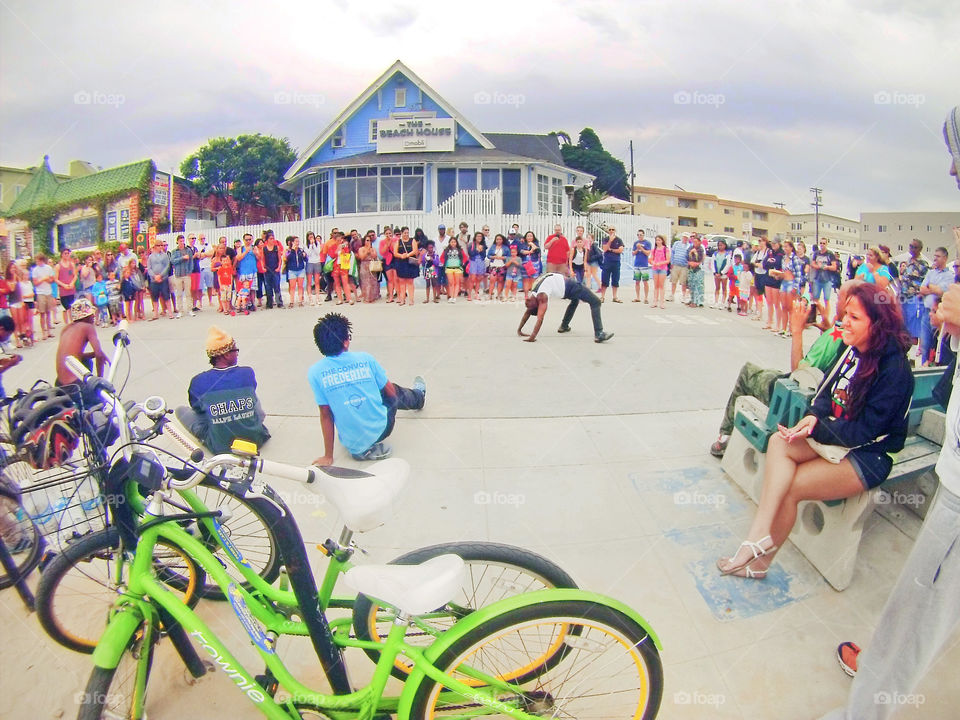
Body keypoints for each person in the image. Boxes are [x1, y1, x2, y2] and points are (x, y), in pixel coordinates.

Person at [818, 104, 960, 720]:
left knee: (922, 605)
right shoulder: (854, 351)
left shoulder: (890, 362)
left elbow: (870, 427)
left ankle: (868, 706)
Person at [717, 282, 913, 579]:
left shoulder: (894, 370)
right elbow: (822, 395)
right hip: (835, 440)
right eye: (846, 313)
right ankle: (757, 536)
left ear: (878, 324)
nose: (844, 321)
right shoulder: (851, 349)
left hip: (869, 455)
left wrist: (817, 428)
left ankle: (758, 563)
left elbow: (864, 432)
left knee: (791, 487)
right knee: (779, 442)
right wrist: (811, 418)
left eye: (855, 318)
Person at [709, 280, 863, 458]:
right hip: (825, 403)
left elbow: (799, 373)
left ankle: (725, 437)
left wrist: (796, 331)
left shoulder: (834, 337)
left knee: (748, 372)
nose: (835, 303)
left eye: (840, 299)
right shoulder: (847, 339)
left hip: (798, 399)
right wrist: (828, 326)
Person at [308, 313, 425, 463]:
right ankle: (419, 397)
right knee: (392, 389)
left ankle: (359, 446)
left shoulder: (314, 372)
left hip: (351, 441)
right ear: (345, 342)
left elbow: (325, 414)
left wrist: (328, 456)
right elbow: (391, 394)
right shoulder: (365, 359)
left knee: (341, 400)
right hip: (382, 430)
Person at [175, 326, 270, 454]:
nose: (237, 353)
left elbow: (198, 410)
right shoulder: (247, 372)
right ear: (225, 355)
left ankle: (215, 435)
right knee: (252, 399)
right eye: (235, 350)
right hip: (255, 440)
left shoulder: (198, 381)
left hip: (221, 446)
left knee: (181, 411)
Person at [517, 272, 614, 343]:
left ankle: (564, 326)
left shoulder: (535, 298)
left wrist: (520, 330)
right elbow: (540, 318)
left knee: (575, 300)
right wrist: (532, 336)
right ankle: (599, 334)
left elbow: (529, 311)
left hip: (566, 288)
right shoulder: (537, 295)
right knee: (596, 302)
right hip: (570, 286)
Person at [54, 298, 110, 405]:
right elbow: (98, 354)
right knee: (103, 405)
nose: (93, 316)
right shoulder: (88, 327)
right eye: (92, 315)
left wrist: (94, 355)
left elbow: (72, 356)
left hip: (60, 384)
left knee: (87, 361)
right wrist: (99, 380)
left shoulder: (66, 329)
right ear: (86, 316)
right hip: (74, 385)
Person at [917, 245, 954, 366]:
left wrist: (931, 287)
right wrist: (934, 288)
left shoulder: (950, 276)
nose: (935, 259)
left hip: (939, 314)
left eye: (938, 256)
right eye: (934, 256)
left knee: (937, 343)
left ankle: (936, 366)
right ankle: (924, 366)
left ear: (945, 258)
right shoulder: (930, 272)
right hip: (926, 312)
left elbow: (941, 291)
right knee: (925, 344)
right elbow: (922, 289)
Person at [899, 238, 929, 343]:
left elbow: (926, 281)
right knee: (904, 321)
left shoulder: (923, 264)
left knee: (913, 325)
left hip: (914, 297)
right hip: (904, 296)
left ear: (920, 249)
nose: (912, 249)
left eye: (915, 247)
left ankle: (912, 349)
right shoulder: (908, 260)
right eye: (910, 246)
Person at [810, 238, 840, 323]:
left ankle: (825, 318)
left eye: (824, 243)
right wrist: (818, 266)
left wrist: (826, 267)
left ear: (826, 244)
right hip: (817, 279)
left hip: (827, 280)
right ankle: (814, 317)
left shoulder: (830, 254)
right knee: (815, 299)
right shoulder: (816, 253)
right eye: (821, 243)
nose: (822, 245)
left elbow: (834, 267)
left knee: (827, 299)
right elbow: (812, 264)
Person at [147, 241, 173, 321]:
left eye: (161, 245)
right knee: (154, 296)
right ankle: (155, 313)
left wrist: (161, 275)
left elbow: (167, 266)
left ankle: (170, 312)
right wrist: (154, 276)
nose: (160, 247)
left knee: (166, 295)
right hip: (154, 280)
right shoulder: (151, 257)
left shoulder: (165, 256)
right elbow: (149, 268)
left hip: (163, 278)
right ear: (155, 247)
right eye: (158, 245)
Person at [393, 226, 418, 306]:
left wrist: (407, 255)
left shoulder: (412, 240)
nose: (406, 234)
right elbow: (395, 253)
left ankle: (411, 300)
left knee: (410, 282)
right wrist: (401, 256)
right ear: (401, 233)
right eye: (404, 233)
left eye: (407, 233)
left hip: (410, 263)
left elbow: (415, 251)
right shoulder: (398, 242)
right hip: (401, 263)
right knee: (402, 282)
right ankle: (402, 300)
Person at [599, 227, 624, 303]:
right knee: (604, 279)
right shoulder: (605, 239)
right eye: (610, 229)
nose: (611, 231)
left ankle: (615, 297)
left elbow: (620, 250)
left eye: (613, 229)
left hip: (616, 262)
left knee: (615, 279)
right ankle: (602, 297)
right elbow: (605, 249)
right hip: (607, 262)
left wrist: (611, 250)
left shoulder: (619, 240)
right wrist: (610, 241)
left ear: (615, 231)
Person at [54, 248, 77, 325]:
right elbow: (56, 279)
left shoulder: (72, 264)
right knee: (66, 307)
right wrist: (64, 285)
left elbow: (75, 276)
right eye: (65, 253)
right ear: (62, 255)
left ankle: (72, 322)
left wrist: (72, 283)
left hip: (71, 289)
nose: (67, 255)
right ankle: (67, 323)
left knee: (71, 306)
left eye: (68, 253)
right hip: (63, 290)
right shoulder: (58, 266)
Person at [441, 236, 467, 303]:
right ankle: (451, 296)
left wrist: (462, 263)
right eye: (451, 242)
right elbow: (441, 258)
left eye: (454, 242)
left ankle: (454, 297)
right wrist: (445, 263)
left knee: (456, 283)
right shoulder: (446, 250)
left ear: (456, 243)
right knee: (451, 283)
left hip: (457, 268)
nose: (453, 243)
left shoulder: (460, 250)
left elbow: (465, 257)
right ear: (449, 242)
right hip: (449, 268)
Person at [631, 229, 652, 303]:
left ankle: (646, 298)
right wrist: (637, 248)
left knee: (645, 281)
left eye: (641, 235)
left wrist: (641, 248)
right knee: (637, 281)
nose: (639, 236)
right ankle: (638, 297)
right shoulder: (635, 243)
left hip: (644, 264)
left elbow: (648, 253)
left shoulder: (647, 243)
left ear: (643, 235)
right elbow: (633, 253)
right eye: (638, 235)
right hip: (637, 264)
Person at [669, 234, 692, 302]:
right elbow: (672, 253)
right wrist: (672, 262)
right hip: (675, 265)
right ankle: (672, 295)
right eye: (684, 237)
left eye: (686, 237)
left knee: (683, 282)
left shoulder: (689, 246)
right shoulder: (676, 244)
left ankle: (683, 296)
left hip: (684, 266)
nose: (685, 238)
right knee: (673, 281)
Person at [650, 234, 670, 309]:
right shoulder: (654, 249)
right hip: (655, 268)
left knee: (661, 285)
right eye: (656, 240)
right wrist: (653, 262)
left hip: (662, 268)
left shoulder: (665, 249)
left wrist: (660, 263)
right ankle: (655, 301)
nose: (658, 241)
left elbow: (668, 260)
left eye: (659, 240)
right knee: (656, 285)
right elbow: (651, 258)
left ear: (662, 241)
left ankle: (662, 302)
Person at [686, 235, 705, 308]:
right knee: (691, 285)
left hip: (698, 269)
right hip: (691, 268)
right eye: (694, 241)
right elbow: (686, 256)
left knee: (698, 286)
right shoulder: (690, 248)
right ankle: (692, 299)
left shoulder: (701, 249)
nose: (695, 243)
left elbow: (700, 258)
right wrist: (690, 262)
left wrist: (695, 253)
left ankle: (698, 302)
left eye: (696, 241)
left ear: (700, 242)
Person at [711, 239, 730, 309]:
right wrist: (715, 272)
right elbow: (712, 263)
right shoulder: (715, 254)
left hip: (723, 274)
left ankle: (723, 302)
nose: (720, 246)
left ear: (725, 245)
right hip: (716, 273)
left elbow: (728, 265)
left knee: (724, 288)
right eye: (719, 245)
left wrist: (722, 273)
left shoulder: (727, 255)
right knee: (717, 288)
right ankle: (716, 302)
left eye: (721, 245)